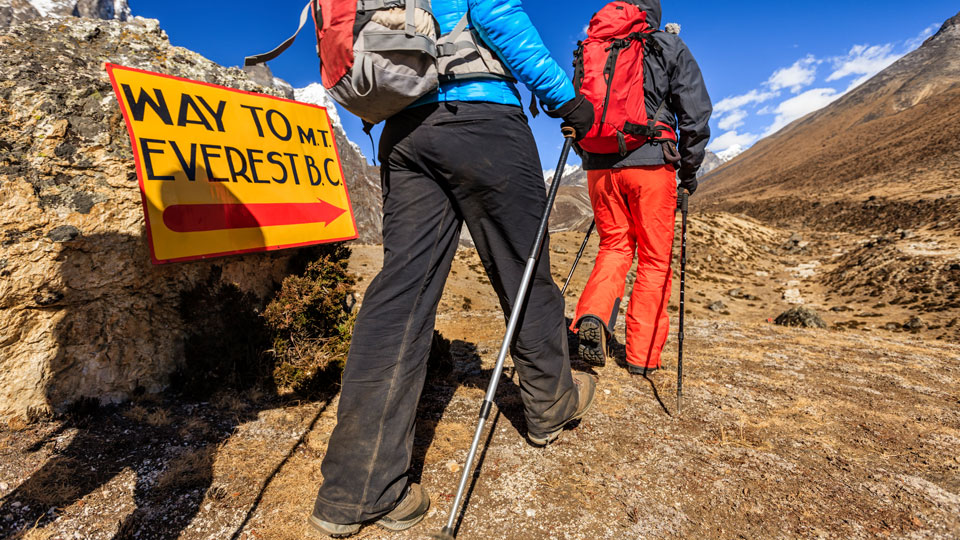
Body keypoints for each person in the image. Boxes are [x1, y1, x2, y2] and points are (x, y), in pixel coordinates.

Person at [307, 0, 596, 537]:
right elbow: (496, 14)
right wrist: (564, 99)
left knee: (401, 294)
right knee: (523, 268)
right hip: (481, 118)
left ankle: (356, 490)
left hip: (403, 132)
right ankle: (551, 405)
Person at [571, 0, 711, 375]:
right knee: (653, 258)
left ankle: (594, 318)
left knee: (614, 246)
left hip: (599, 166)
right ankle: (641, 357)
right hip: (651, 165)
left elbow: (577, 112)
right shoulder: (667, 45)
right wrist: (689, 172)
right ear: (654, 13)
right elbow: (695, 115)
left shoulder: (592, 47)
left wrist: (589, 155)